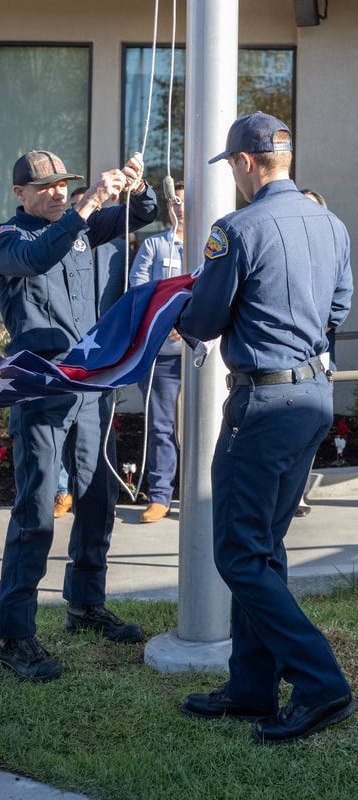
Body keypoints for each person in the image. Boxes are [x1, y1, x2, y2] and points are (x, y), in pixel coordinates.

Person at [177, 112, 354, 743]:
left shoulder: (237, 230)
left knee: (238, 554)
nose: (234, 175)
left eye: (232, 165)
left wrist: (176, 312)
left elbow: (203, 320)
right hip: (313, 397)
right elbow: (339, 307)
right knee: (264, 547)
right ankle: (252, 687)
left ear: (247, 163)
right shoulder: (330, 223)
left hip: (264, 404)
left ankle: (321, 684)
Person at [0, 149, 158, 681]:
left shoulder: (79, 226)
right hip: (41, 386)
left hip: (89, 384)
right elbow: (38, 259)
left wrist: (136, 185)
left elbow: (143, 212)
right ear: (20, 193)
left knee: (97, 496)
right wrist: (85, 206)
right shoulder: (7, 239)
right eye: (46, 187)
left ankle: (86, 604)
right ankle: (14, 634)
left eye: (64, 184)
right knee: (37, 508)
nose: (58, 193)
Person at [53, 185, 132, 519]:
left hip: (104, 349)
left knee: (98, 425)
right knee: (61, 420)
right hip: (67, 347)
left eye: (89, 205)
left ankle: (102, 495)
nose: (83, 211)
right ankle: (62, 489)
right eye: (76, 206)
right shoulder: (58, 244)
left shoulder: (118, 247)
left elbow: (129, 294)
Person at [129, 181, 184, 523]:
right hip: (164, 354)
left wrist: (191, 324)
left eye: (186, 201)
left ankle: (206, 494)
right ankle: (161, 496)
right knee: (161, 426)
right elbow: (139, 289)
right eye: (175, 202)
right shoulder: (154, 245)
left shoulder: (214, 245)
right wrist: (167, 322)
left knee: (211, 425)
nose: (181, 208)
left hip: (204, 357)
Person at [295, 188, 330, 517]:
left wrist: (317, 330)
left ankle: (299, 492)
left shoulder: (329, 245)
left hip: (317, 355)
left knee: (308, 432)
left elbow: (340, 301)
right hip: (285, 362)